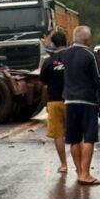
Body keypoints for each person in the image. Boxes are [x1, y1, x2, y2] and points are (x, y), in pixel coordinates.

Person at [57, 25, 100, 185]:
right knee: (89, 137)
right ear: (87, 40)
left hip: (69, 100)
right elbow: (99, 78)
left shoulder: (64, 55)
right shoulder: (90, 55)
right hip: (87, 101)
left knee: (74, 138)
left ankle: (79, 172)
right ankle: (86, 173)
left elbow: (58, 71)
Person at [40, 31, 69, 174]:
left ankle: (64, 165)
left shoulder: (48, 61)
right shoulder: (73, 58)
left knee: (58, 135)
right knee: (76, 133)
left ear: (54, 43)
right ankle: (82, 166)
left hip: (54, 101)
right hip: (72, 100)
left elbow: (43, 80)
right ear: (66, 42)